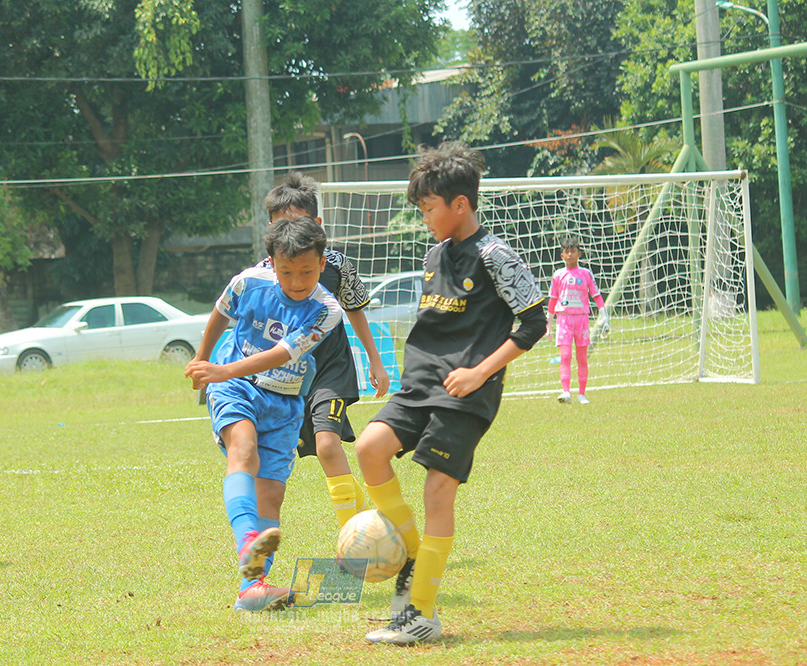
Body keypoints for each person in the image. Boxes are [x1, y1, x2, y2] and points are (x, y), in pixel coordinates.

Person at [354, 143, 546, 644]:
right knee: (369, 448)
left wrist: (479, 373)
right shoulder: (434, 253)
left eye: (429, 208)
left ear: (460, 204)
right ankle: (411, 556)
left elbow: (534, 322)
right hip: (419, 385)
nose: (424, 218)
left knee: (437, 491)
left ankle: (420, 613)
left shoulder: (496, 256)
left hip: (466, 391)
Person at [185, 216, 343, 612]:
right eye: (286, 272)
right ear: (271, 263)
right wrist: (204, 360)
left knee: (271, 494)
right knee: (244, 449)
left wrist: (220, 370)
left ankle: (252, 590)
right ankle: (246, 546)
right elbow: (221, 312)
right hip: (237, 385)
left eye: (306, 271)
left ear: (322, 263)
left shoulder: (327, 310)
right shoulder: (248, 282)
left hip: (285, 401)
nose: (296, 281)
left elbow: (283, 353)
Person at [259, 173, 390, 530]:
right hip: (288, 378)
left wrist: (375, 362)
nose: (290, 233)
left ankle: (353, 540)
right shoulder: (261, 275)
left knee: (329, 446)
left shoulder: (336, 265)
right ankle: (367, 518)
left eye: (299, 223)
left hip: (331, 369)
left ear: (317, 225)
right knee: (308, 453)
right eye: (280, 225)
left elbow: (355, 310)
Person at [547, 235, 608, 405]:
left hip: (581, 319)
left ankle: (582, 393)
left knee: (582, 358)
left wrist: (605, 316)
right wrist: (548, 322)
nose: (570, 255)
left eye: (573, 251)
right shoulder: (558, 275)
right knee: (565, 356)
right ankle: (566, 391)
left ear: (579, 254)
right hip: (564, 320)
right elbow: (552, 299)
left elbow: (596, 295)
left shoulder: (586, 273)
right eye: (567, 252)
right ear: (562, 255)